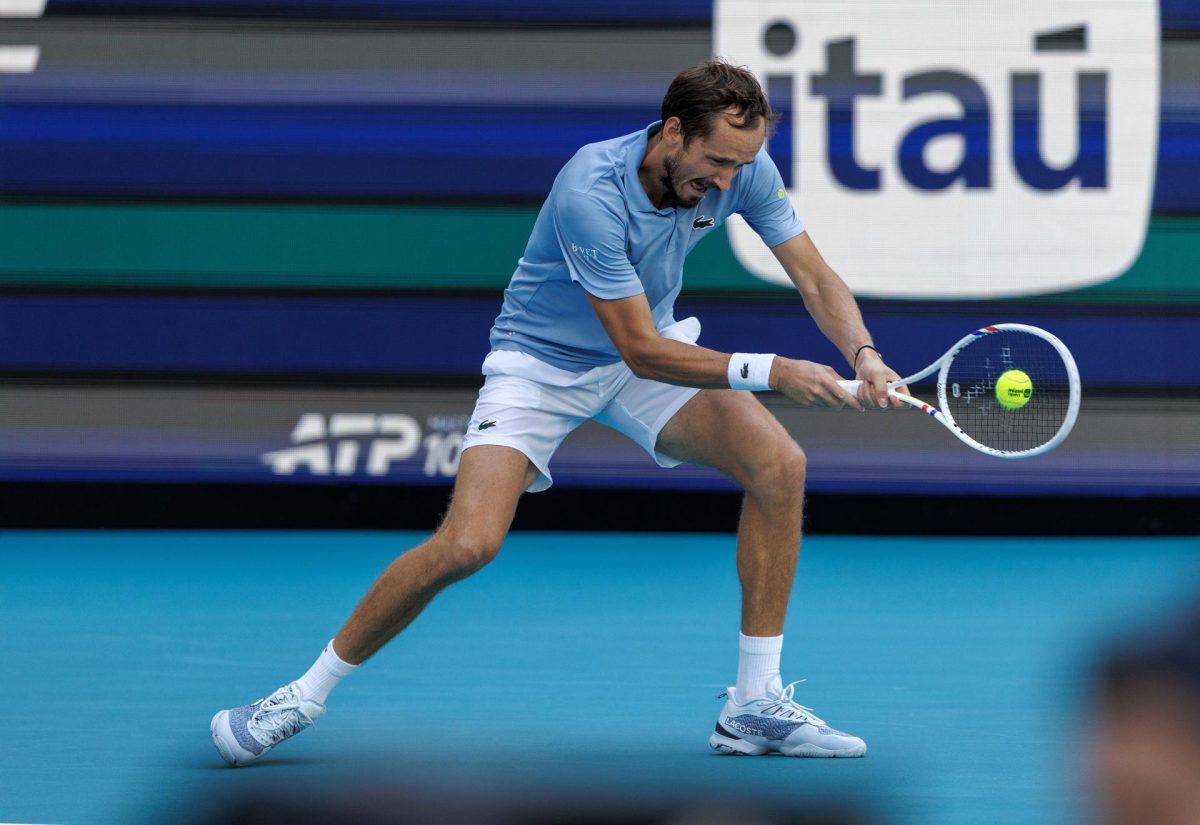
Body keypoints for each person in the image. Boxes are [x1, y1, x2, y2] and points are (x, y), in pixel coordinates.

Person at [210, 59, 904, 767]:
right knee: (467, 544)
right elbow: (637, 349)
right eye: (716, 162)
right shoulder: (590, 190)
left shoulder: (742, 169)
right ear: (672, 132)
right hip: (541, 367)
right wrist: (773, 371)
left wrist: (864, 352)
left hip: (647, 351)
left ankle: (753, 704)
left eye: (741, 164)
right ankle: (299, 695)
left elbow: (814, 275)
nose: (727, 180)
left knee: (779, 465)